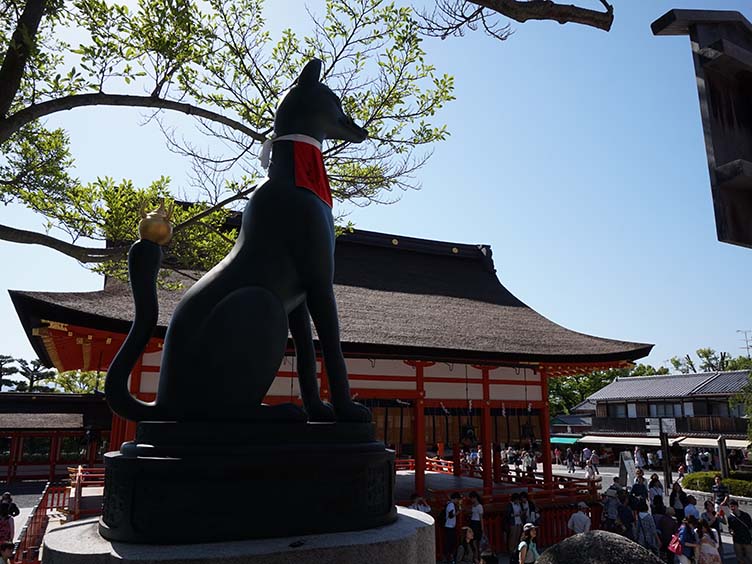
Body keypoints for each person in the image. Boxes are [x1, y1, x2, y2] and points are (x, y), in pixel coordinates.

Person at [720, 498, 752, 564]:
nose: (732, 508)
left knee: (749, 557)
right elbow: (730, 528)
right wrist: (731, 532)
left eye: (733, 506)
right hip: (737, 540)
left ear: (737, 506)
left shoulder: (745, 515)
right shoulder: (730, 517)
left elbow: (750, 527)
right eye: (730, 507)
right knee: (739, 558)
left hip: (747, 539)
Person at [444, 492, 461, 564]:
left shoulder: (450, 504)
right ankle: (448, 557)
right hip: (449, 526)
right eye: (457, 499)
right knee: (450, 542)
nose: (457, 501)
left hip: (450, 526)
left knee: (451, 542)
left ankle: (449, 557)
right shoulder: (451, 505)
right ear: (455, 499)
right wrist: (458, 513)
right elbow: (451, 515)